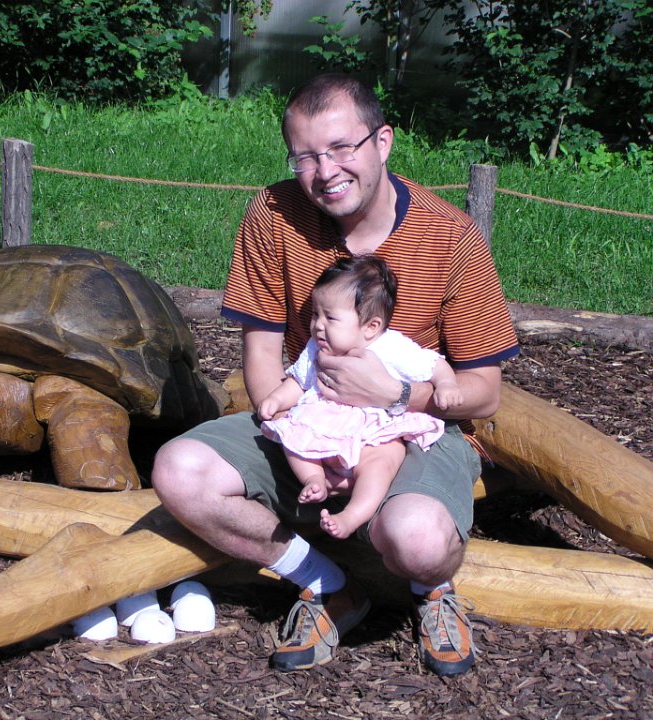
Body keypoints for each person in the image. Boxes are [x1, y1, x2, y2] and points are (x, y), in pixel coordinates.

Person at [151, 72, 519, 676]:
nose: (325, 171)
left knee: (420, 538)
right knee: (179, 470)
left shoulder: (450, 234)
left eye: (342, 147)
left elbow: (484, 393)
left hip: (412, 429)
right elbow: (263, 357)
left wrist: (397, 395)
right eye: (305, 156)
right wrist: (298, 435)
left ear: (383, 141)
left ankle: (432, 591)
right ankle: (325, 582)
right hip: (310, 412)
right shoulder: (274, 214)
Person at [258, 255, 463, 541]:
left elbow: (432, 364)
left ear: (371, 327)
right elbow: (299, 381)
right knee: (293, 440)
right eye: (316, 314)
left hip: (372, 432)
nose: (318, 325)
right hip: (324, 425)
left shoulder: (391, 347)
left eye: (330, 318)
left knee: (383, 461)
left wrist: (446, 384)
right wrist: (277, 400)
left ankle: (352, 515)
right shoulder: (316, 348)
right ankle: (314, 479)